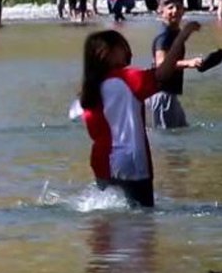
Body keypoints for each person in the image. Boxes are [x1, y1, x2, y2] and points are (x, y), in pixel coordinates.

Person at [77, 23, 201, 207]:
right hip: (130, 162)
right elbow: (162, 74)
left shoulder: (89, 90)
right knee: (142, 222)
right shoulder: (127, 79)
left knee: (109, 224)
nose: (128, 53)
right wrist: (182, 36)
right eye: (123, 48)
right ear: (107, 53)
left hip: (101, 161)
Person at [149, 0, 210, 129]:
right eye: (170, 8)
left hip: (170, 94)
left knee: (182, 131)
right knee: (168, 141)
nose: (175, 11)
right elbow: (161, 64)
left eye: (178, 7)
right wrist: (189, 63)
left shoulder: (174, 32)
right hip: (162, 95)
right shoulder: (163, 36)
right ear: (161, 11)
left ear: (183, 11)